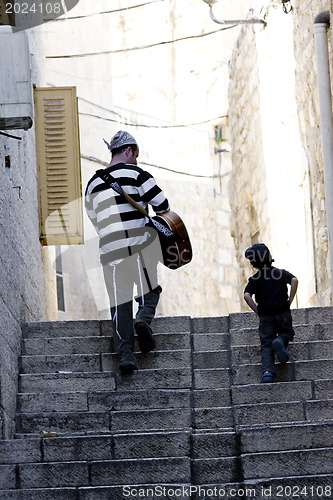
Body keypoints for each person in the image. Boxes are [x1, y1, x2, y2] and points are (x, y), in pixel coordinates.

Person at [85, 131, 170, 374]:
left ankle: (126, 356)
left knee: (119, 304)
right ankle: (143, 318)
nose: (136, 160)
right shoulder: (138, 175)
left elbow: (95, 219)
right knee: (149, 289)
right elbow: (163, 207)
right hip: (140, 243)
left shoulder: (93, 183)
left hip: (110, 249)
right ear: (129, 150)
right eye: (136, 155)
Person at [243, 243, 298, 383]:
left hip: (265, 315)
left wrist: (257, 310)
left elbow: (246, 295)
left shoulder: (255, 279)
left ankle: (268, 372)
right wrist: (289, 300)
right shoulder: (279, 273)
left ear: (253, 263)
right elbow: (294, 280)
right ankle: (280, 341)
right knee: (286, 332)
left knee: (266, 343)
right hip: (282, 311)